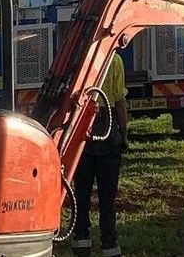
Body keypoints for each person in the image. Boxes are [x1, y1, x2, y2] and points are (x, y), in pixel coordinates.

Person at [73, 51, 128, 256]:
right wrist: (124, 133)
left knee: (81, 194)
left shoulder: (79, 57)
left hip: (82, 128)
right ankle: (109, 245)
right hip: (108, 127)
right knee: (107, 197)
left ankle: (81, 241)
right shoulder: (114, 59)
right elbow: (119, 99)